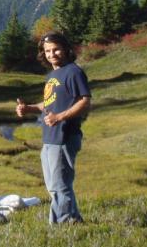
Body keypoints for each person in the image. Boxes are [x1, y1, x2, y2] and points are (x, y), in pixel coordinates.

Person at [15, 31, 91, 223]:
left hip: (65, 136)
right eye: (48, 51)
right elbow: (48, 104)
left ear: (66, 49)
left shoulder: (74, 72)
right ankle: (73, 220)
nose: (52, 54)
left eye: (56, 49)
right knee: (53, 185)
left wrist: (60, 117)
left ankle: (61, 224)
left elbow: (85, 101)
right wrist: (29, 108)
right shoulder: (53, 75)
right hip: (50, 137)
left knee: (59, 185)